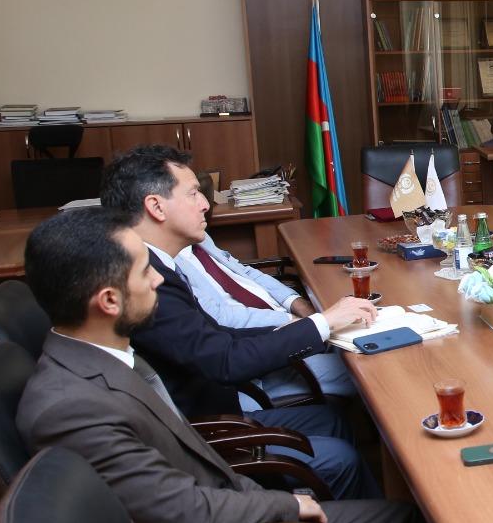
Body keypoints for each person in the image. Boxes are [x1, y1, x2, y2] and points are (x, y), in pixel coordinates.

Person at [16, 207, 416, 523]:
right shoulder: (73, 409)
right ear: (108, 300)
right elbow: (184, 514)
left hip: (232, 491)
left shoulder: (100, 355)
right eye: (145, 272)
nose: (159, 280)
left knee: (376, 485)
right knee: (414, 522)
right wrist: (288, 504)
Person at [102, 145, 382, 499]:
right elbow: (225, 360)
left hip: (222, 413)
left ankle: (349, 513)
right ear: (156, 207)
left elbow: (219, 335)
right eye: (193, 194)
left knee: (334, 421)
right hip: (212, 439)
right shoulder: (147, 283)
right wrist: (321, 324)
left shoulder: (158, 266)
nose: (205, 204)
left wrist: (312, 328)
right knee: (343, 458)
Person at [176, 227, 359, 401]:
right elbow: (221, 319)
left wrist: (298, 303)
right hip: (265, 350)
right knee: (358, 370)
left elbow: (245, 272)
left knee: (360, 333)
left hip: (290, 324)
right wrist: (298, 322)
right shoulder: (170, 267)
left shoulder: (198, 237)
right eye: (192, 200)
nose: (205, 207)